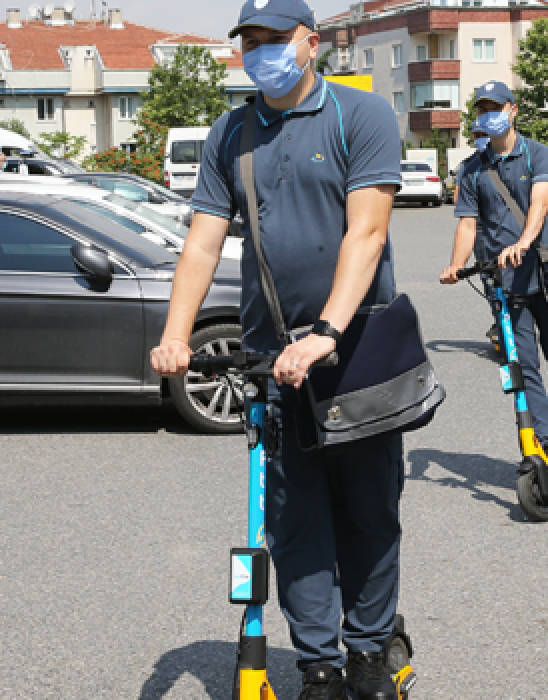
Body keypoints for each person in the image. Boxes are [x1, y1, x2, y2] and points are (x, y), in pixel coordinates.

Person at [149, 0, 407, 697]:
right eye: (248, 41)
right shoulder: (232, 133)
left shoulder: (362, 116)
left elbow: (367, 234)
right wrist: (177, 333)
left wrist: (326, 332)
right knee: (295, 521)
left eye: (272, 39)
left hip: (358, 352)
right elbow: (202, 240)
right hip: (272, 358)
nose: (259, 52)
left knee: (369, 511)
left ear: (310, 44)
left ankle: (369, 651)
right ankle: (320, 659)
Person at [439, 81, 548, 469]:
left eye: (495, 107)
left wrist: (524, 242)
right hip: (503, 282)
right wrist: (456, 264)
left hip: (546, 273)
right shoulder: (472, 169)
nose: (487, 115)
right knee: (521, 365)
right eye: (481, 109)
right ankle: (545, 440)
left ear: (513, 110)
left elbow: (540, 203)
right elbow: (468, 224)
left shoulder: (538, 155)